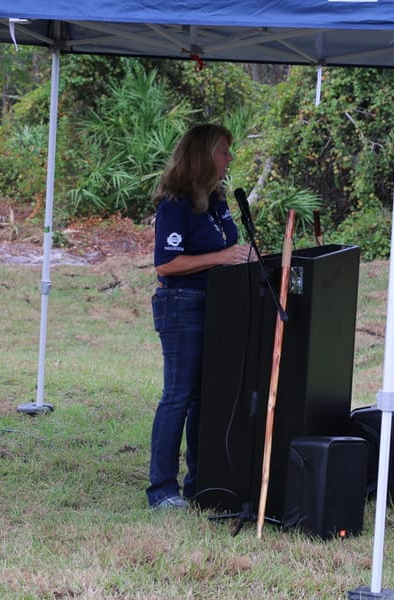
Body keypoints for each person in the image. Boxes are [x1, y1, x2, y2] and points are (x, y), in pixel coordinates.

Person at [147, 123, 253, 510]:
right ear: (204, 156)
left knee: (204, 400)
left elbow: (231, 248)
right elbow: (167, 264)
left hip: (219, 305)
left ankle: (199, 484)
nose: (229, 159)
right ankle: (161, 489)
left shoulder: (218, 200)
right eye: (223, 152)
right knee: (178, 395)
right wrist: (222, 258)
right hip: (182, 304)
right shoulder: (176, 202)